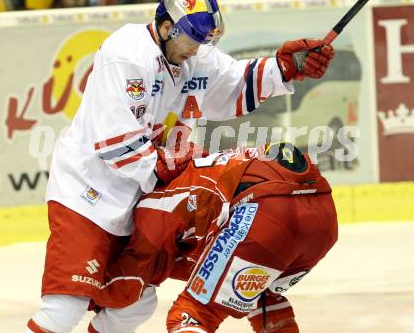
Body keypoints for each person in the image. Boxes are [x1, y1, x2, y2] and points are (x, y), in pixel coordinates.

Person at [26, 0, 334, 333]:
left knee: (134, 305)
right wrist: (167, 164)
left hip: (138, 200)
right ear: (168, 26)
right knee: (65, 305)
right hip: (88, 194)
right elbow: (112, 138)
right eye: (193, 39)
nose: (198, 48)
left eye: (205, 41)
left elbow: (233, 83)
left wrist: (286, 67)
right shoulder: (126, 53)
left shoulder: (194, 56)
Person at [89, 142, 338, 333]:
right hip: (324, 217)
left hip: (266, 212)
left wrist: (90, 293)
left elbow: (129, 284)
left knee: (191, 315)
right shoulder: (196, 170)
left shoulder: (151, 205)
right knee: (262, 295)